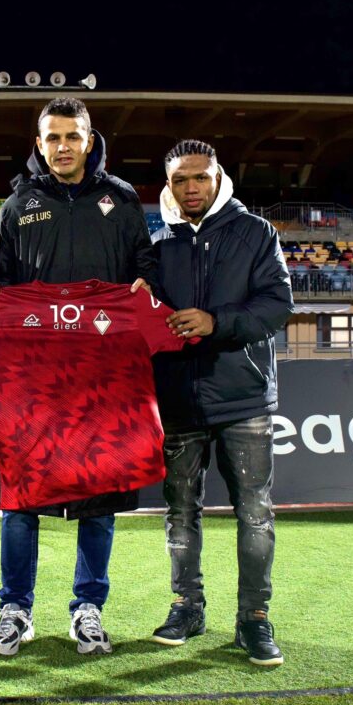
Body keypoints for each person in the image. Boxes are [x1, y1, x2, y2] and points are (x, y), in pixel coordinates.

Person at [0, 97, 154, 656]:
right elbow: (0, 283)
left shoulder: (121, 200)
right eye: (52, 137)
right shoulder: (18, 205)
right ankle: (15, 609)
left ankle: (88, 609)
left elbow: (146, 268)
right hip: (33, 380)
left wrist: (146, 288)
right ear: (39, 144)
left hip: (103, 377)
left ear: (89, 139)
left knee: (99, 502)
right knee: (20, 500)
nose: (62, 146)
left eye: (72, 136)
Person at [147, 139, 293, 666]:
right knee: (180, 512)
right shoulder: (157, 243)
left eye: (200, 177)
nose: (191, 188)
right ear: (168, 185)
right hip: (179, 399)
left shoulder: (256, 232)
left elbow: (277, 304)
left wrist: (215, 322)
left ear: (218, 178)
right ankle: (187, 607)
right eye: (180, 179)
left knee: (254, 512)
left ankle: (254, 617)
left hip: (243, 397)